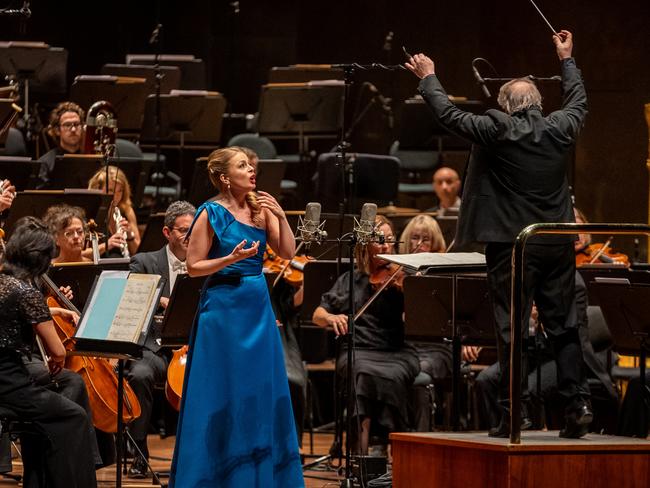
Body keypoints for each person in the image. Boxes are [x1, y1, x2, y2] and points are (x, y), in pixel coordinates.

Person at [406, 30, 592, 438]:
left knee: (512, 330)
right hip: (556, 243)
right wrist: (567, 60)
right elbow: (577, 100)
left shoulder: (497, 128)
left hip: (513, 247)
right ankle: (576, 406)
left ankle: (514, 414)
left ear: (505, 107)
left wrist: (429, 78)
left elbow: (449, 117)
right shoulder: (561, 127)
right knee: (564, 327)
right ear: (539, 104)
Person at [170, 147, 303, 487]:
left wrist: (283, 217)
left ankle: (259, 475)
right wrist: (229, 259)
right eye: (243, 166)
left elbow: (288, 252)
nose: (251, 170)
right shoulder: (210, 212)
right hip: (223, 309)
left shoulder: (260, 210)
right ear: (225, 177)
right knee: (222, 390)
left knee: (258, 390)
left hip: (256, 307)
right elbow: (194, 267)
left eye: (251, 165)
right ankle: (216, 476)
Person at [0, 216, 97, 487]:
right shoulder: (27, 293)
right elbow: (58, 352)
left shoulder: (2, 283)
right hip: (11, 384)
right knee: (74, 416)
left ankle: (38, 478)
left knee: (64, 392)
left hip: (7, 376)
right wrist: (56, 361)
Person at [313, 215, 420, 454]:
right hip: (358, 350)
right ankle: (361, 458)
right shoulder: (351, 280)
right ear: (364, 246)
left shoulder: (403, 277)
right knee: (360, 372)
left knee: (379, 375)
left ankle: (390, 451)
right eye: (378, 241)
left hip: (397, 352)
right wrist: (331, 318)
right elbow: (318, 314)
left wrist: (410, 294)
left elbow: (424, 315)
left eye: (389, 240)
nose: (385, 246)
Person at [125, 200, 196, 478]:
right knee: (140, 374)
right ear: (167, 233)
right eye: (183, 231)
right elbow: (134, 298)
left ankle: (196, 455)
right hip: (154, 347)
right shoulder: (144, 261)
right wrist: (161, 300)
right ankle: (139, 452)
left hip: (193, 345)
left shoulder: (204, 262)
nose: (189, 237)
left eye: (194, 230)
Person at [399, 214, 481, 430]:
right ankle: (387, 435)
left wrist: (470, 340)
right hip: (404, 347)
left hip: (440, 348)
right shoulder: (397, 272)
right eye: (415, 238)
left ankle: (421, 434)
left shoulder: (446, 273)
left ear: (436, 243)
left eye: (426, 239)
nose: (420, 244)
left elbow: (468, 312)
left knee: (416, 372)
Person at [42, 203, 125, 264]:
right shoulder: (48, 267)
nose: (76, 236)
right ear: (56, 239)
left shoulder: (92, 265)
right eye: (68, 233)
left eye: (80, 232)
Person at [88, 165, 141, 257]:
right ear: (97, 189)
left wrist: (129, 235)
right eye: (111, 190)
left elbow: (138, 252)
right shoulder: (89, 213)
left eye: (120, 191)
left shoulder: (127, 211)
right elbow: (79, 255)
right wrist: (107, 245)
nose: (116, 196)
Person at [37, 101, 85, 188]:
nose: (73, 129)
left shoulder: (92, 159)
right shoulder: (45, 163)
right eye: (67, 125)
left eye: (77, 124)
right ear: (57, 130)